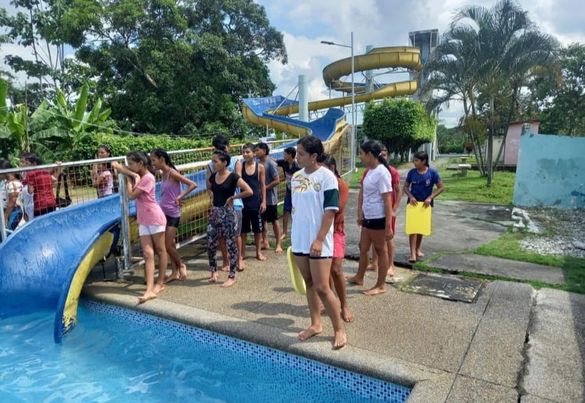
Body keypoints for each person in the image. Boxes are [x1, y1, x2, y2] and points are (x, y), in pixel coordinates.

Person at [291, 135, 346, 350]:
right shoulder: (296, 177)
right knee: (309, 283)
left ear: (314, 156)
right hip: (299, 239)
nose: (297, 157)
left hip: (318, 241)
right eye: (297, 153)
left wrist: (320, 239)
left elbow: (330, 211)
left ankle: (339, 329)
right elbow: (296, 209)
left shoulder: (327, 177)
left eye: (301, 154)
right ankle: (315, 324)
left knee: (323, 287)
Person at [112, 153, 167, 303]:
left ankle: (160, 282)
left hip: (154, 218)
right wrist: (130, 173)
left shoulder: (148, 178)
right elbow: (118, 166)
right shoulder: (140, 176)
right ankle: (149, 289)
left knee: (161, 250)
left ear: (141, 163)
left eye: (132, 163)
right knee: (148, 254)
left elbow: (131, 195)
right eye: (128, 163)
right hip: (143, 219)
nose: (129, 166)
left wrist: (128, 178)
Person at [346, 140, 393, 296]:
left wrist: (388, 225)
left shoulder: (382, 172)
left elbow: (387, 200)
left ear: (370, 154)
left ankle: (381, 285)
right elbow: (364, 193)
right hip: (368, 216)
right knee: (363, 247)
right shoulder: (369, 171)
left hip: (378, 217)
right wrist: (360, 213)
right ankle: (359, 277)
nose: (360, 156)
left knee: (380, 250)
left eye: (361, 153)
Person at [207, 150, 253, 288]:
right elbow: (210, 189)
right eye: (212, 161)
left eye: (215, 161)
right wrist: (212, 198)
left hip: (228, 214)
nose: (213, 164)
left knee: (231, 245)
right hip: (215, 212)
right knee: (211, 244)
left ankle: (232, 276)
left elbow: (249, 191)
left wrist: (234, 197)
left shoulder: (233, 177)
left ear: (224, 162)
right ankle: (213, 272)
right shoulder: (213, 176)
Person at [151, 149, 197, 283]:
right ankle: (174, 272)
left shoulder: (172, 173)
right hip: (163, 212)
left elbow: (192, 184)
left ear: (162, 159)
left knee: (167, 245)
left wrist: (179, 197)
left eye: (154, 160)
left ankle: (181, 265)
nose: (153, 163)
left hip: (173, 213)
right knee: (170, 244)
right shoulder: (163, 173)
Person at [320, 154, 353, 323]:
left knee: (336, 269)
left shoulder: (341, 185)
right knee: (325, 271)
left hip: (336, 231)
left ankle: (344, 305)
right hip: (320, 231)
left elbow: (336, 208)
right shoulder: (318, 184)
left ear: (332, 168)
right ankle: (330, 301)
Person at [206, 135, 245, 270]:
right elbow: (209, 186)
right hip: (218, 205)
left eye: (223, 148)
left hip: (235, 203)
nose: (222, 150)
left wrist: (233, 197)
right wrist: (213, 198)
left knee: (236, 234)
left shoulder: (235, 161)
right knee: (221, 235)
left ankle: (239, 259)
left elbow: (239, 181)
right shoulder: (211, 165)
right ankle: (225, 260)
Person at [365, 145, 402, 282]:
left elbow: (398, 191)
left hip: (386, 211)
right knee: (375, 240)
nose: (382, 157)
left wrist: (394, 209)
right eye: (381, 154)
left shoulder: (391, 171)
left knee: (388, 239)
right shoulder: (369, 170)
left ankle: (390, 265)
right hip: (373, 212)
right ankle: (374, 262)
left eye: (385, 155)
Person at [403, 151, 444, 263]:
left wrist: (430, 197)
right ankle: (412, 253)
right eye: (414, 160)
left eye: (416, 160)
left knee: (421, 228)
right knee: (413, 229)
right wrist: (411, 197)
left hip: (425, 205)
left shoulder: (432, 173)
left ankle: (417, 249)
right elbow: (405, 187)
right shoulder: (412, 173)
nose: (414, 162)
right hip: (413, 204)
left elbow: (441, 187)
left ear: (424, 161)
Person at [238, 143, 267, 262]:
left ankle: (258, 252)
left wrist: (264, 201)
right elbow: (237, 180)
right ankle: (242, 253)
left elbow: (262, 185)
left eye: (248, 152)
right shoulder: (240, 166)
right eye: (243, 152)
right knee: (243, 230)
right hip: (243, 202)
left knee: (257, 230)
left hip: (256, 202)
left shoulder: (260, 167)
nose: (245, 154)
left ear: (254, 153)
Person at [255, 142, 282, 254]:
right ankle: (265, 241)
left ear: (264, 151)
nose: (256, 153)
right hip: (260, 198)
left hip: (270, 198)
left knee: (274, 220)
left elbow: (277, 180)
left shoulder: (270, 163)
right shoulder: (257, 163)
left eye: (257, 150)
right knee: (263, 220)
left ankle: (278, 244)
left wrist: (265, 188)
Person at [19, 153, 58, 217]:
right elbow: (54, 180)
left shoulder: (31, 174)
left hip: (39, 206)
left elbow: (30, 191)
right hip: (50, 203)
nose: (22, 164)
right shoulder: (44, 172)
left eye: (25, 163)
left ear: (34, 164)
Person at [275, 147, 300, 240]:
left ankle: (297, 231)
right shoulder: (284, 163)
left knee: (296, 212)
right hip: (289, 191)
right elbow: (274, 161)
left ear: (290, 155)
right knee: (285, 211)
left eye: (285, 154)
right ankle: (284, 232)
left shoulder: (298, 166)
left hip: (298, 192)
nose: (283, 156)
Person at [0, 160, 23, 231]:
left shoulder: (14, 183)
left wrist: (5, 217)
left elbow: (12, 201)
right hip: (7, 211)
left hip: (13, 212)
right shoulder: (6, 182)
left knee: (8, 232)